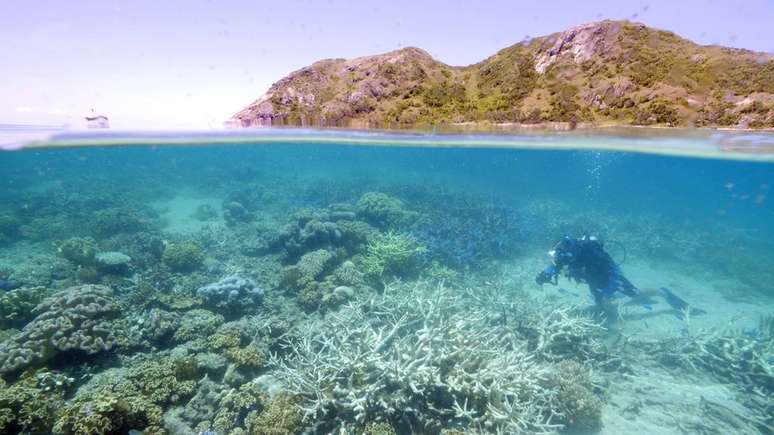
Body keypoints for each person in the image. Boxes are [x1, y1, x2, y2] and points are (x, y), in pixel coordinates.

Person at [536, 235, 639, 304]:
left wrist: (608, 292)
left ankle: (645, 295)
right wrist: (546, 274)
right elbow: (556, 266)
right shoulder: (565, 255)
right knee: (600, 304)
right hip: (593, 283)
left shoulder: (590, 253)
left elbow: (614, 271)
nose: (559, 257)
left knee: (636, 295)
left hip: (610, 279)